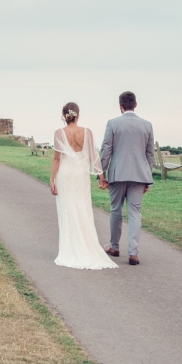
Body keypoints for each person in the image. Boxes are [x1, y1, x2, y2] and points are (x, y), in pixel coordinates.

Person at [50, 103, 118, 270]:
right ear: (78, 115)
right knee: (82, 207)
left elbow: (57, 159)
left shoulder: (59, 133)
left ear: (64, 116)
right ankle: (86, 246)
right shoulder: (87, 132)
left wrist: (52, 180)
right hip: (81, 174)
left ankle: (71, 247)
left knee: (67, 208)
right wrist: (101, 178)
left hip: (65, 174)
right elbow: (94, 156)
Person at [98, 91, 154, 265]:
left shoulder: (113, 123)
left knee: (116, 210)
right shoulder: (147, 125)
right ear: (135, 105)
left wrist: (101, 174)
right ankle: (133, 253)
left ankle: (114, 247)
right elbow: (149, 154)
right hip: (139, 175)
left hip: (118, 174)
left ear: (120, 106)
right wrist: (148, 178)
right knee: (135, 213)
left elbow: (106, 150)